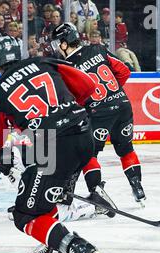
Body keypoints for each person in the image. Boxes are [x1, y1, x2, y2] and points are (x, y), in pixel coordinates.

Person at [0, 36, 110, 253]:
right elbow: (88, 85)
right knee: (44, 196)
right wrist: (64, 111)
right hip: (83, 133)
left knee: (24, 214)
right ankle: (54, 246)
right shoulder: (45, 63)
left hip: (53, 146)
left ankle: (78, 249)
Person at [50, 22, 146, 204]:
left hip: (98, 113)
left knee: (89, 155)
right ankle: (137, 187)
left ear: (64, 43)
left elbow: (73, 98)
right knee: (126, 149)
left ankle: (97, 191)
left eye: (57, 43)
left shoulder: (66, 66)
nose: (56, 48)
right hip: (123, 105)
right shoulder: (98, 49)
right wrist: (112, 93)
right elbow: (124, 72)